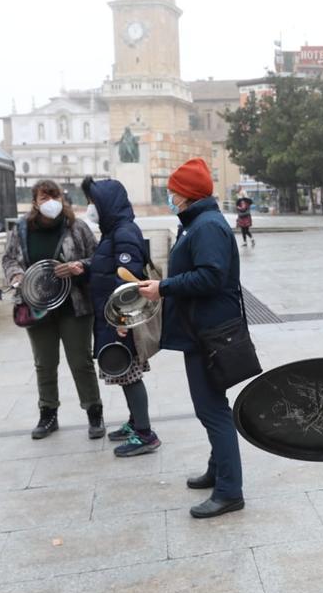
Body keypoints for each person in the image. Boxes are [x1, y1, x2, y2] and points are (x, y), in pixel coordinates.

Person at [137, 158, 246, 519]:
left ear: (186, 194)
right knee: (213, 405)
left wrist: (163, 287)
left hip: (210, 332)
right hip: (200, 329)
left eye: (173, 191)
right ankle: (218, 472)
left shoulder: (207, 226)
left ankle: (230, 491)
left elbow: (211, 277)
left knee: (212, 410)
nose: (170, 196)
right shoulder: (197, 223)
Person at [2, 180, 104, 440]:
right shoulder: (22, 229)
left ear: (62, 198)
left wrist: (78, 266)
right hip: (37, 306)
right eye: (44, 197)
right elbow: (10, 258)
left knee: (80, 361)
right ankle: (48, 413)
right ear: (35, 201)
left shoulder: (77, 227)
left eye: (54, 196)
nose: (50, 202)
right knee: (44, 363)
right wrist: (16, 276)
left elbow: (98, 258)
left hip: (75, 305)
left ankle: (94, 412)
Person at [81, 177, 160, 458]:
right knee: (124, 373)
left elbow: (128, 282)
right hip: (110, 317)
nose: (90, 207)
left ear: (106, 203)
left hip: (119, 320)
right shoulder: (114, 231)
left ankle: (145, 434)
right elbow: (108, 270)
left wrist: (122, 321)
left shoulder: (124, 232)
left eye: (93, 202)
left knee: (129, 374)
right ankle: (134, 422)